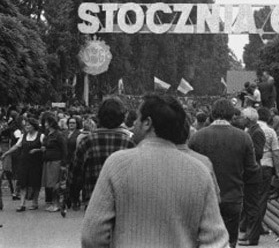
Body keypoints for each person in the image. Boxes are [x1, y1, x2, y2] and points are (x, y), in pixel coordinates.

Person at [81, 94, 229, 247]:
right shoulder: (199, 171)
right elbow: (216, 240)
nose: (133, 124)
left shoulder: (117, 165)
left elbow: (93, 234)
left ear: (147, 123)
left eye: (137, 118)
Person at [189, 98, 260, 248]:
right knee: (229, 242)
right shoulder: (244, 137)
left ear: (212, 114)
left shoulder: (197, 137)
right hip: (232, 197)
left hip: (205, 199)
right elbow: (251, 170)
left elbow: (190, 169)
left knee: (204, 242)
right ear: (232, 115)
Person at [69, 97, 136, 207]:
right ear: (122, 118)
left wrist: (73, 196)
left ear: (99, 117)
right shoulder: (129, 142)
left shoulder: (87, 141)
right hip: (122, 202)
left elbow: (75, 172)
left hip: (94, 200)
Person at [1, 117, 44, 211]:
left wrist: (37, 150)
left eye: (29, 125)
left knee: (35, 183)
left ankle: (35, 202)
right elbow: (16, 146)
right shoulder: (23, 136)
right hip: (24, 162)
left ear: (34, 126)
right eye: (26, 125)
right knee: (23, 182)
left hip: (36, 163)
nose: (27, 126)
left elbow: (45, 148)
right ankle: (22, 204)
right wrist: (6, 153)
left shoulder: (41, 136)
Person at [238, 107, 265, 246]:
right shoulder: (250, 131)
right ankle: (249, 233)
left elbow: (259, 153)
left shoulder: (257, 132)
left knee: (253, 206)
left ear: (248, 119)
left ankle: (253, 237)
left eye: (243, 117)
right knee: (249, 206)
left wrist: (247, 153)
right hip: (249, 173)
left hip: (253, 173)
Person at [41, 112, 68, 212]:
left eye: (46, 122)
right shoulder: (48, 134)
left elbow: (64, 150)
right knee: (49, 183)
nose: (45, 124)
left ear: (51, 123)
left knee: (55, 184)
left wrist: (63, 164)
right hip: (47, 161)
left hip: (56, 161)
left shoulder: (59, 135)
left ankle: (57, 203)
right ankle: (51, 202)